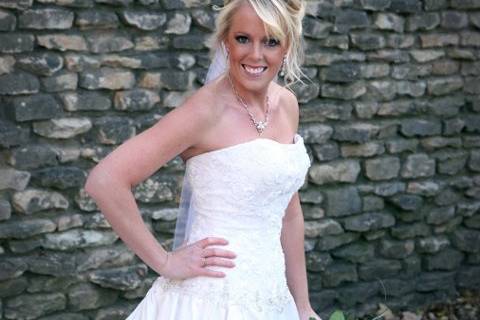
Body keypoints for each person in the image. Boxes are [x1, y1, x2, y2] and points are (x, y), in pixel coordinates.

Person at [84, 0, 321, 319]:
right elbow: (105, 180)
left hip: (273, 298)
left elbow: (288, 213)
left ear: (287, 47)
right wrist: (165, 262)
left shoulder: (287, 104)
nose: (255, 55)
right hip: (212, 300)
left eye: (270, 41)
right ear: (225, 41)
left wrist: (302, 305)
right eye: (242, 39)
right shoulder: (205, 112)